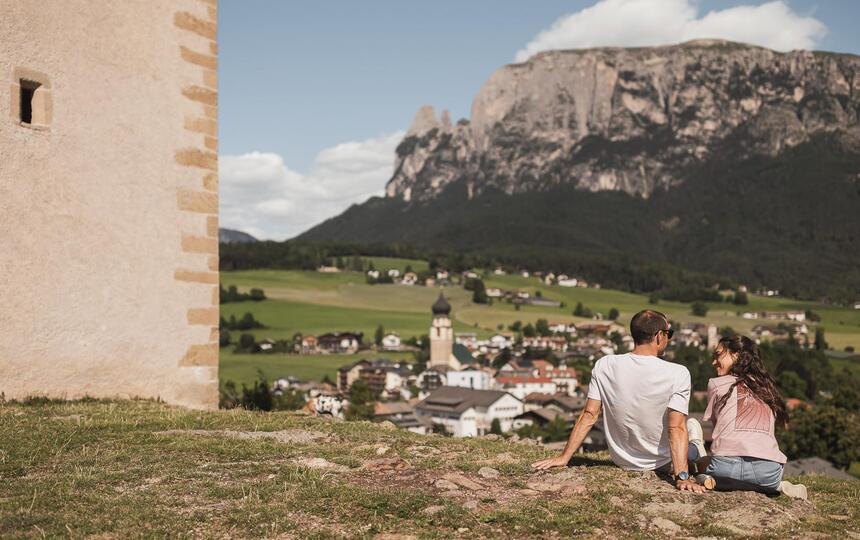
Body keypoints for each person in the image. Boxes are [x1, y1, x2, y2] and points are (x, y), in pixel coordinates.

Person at [532, 310, 706, 493]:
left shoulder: (604, 365)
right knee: (692, 445)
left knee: (685, 431)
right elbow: (676, 427)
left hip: (622, 460)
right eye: (668, 334)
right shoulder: (678, 373)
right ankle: (696, 443)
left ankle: (693, 438)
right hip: (663, 462)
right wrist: (681, 477)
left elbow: (590, 414)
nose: (668, 339)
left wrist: (564, 457)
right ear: (658, 336)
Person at [702, 335, 807, 499]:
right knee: (759, 478)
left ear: (736, 355)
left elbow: (717, 431)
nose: (714, 362)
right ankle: (776, 486)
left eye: (718, 355)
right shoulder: (768, 390)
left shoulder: (715, 384)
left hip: (725, 469)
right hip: (769, 472)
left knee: (699, 458)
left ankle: (708, 479)